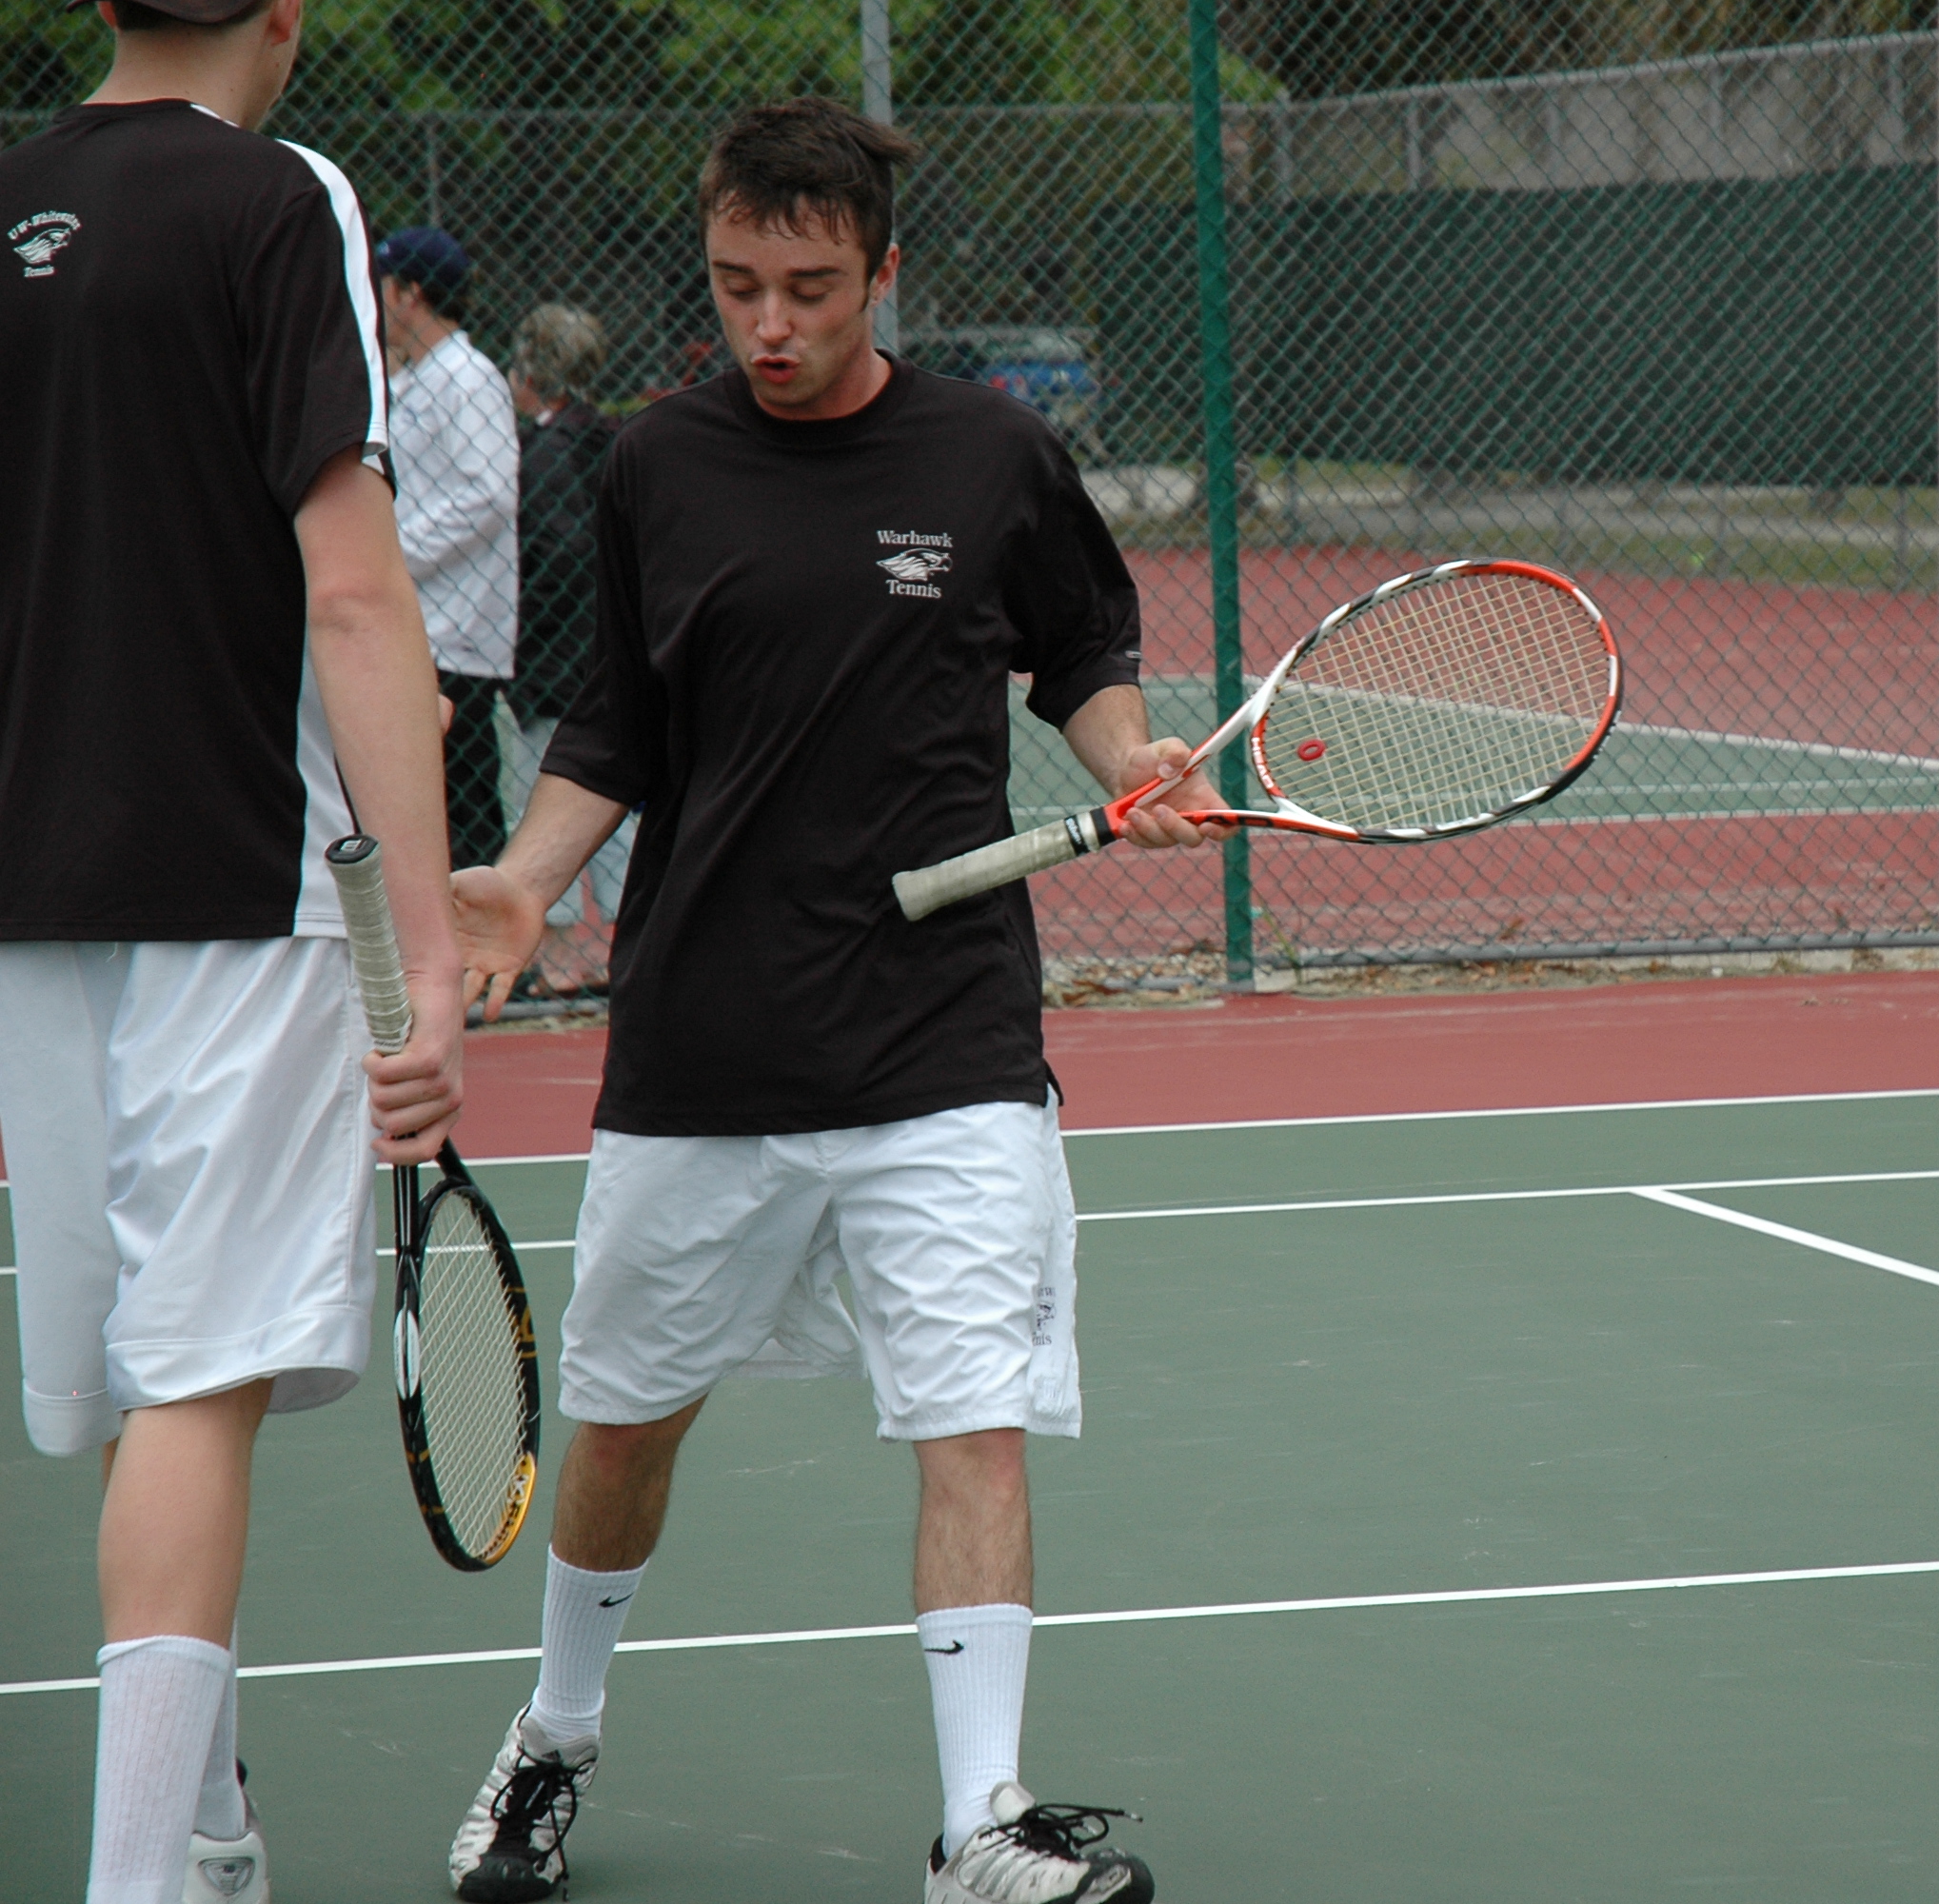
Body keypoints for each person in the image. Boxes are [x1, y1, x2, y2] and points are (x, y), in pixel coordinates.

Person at [445, 98, 1219, 1904]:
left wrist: (1129, 753)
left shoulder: (990, 455)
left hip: (945, 1039)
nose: (770, 324)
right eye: (737, 287)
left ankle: (980, 1824)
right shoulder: (655, 465)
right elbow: (621, 722)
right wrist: (527, 880)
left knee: (974, 1419)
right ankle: (554, 1738)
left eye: (808, 288)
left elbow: (1080, 651)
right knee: (625, 1428)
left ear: (883, 272)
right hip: (704, 1040)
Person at [0, 3, 465, 1901]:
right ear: (282, 11)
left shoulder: (8, 200)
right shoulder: (284, 199)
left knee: (136, 1392)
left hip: (34, 897)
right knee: (195, 1390)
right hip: (240, 882)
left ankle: (201, 1833)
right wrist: (430, 957)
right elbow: (353, 594)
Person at [378, 221, 522, 867]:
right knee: (427, 800)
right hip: (424, 621)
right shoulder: (420, 378)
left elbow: (489, 492)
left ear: (410, 293)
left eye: (384, 283)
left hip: (456, 629)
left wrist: (394, 554)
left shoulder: (466, 377)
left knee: (462, 804)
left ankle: (481, 925)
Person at [504, 302, 629, 984]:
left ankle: (555, 957)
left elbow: (560, 554)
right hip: (602, 649)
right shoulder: (607, 437)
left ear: (534, 371)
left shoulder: (548, 451)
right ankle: (618, 939)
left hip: (555, 657)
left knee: (538, 797)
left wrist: (524, 634)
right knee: (608, 797)